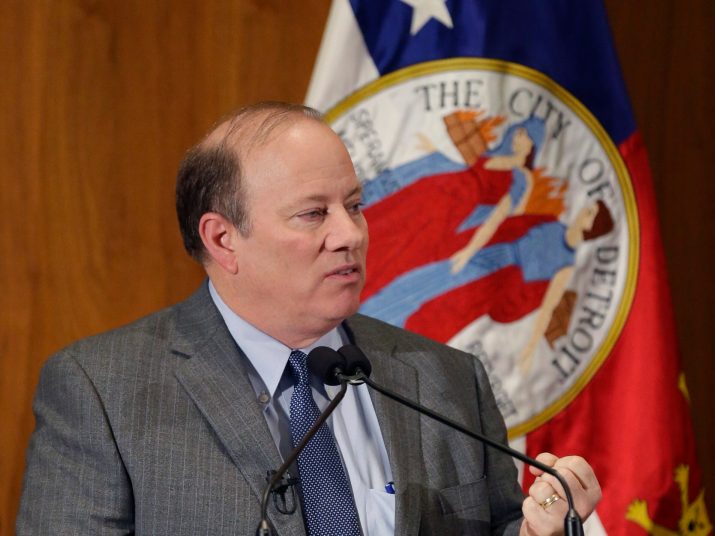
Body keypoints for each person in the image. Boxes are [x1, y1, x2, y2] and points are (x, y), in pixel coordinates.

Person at [17, 102, 601, 535]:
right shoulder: (103, 391)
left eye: (353, 207)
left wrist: (537, 530)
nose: (349, 235)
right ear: (223, 240)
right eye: (312, 214)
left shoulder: (447, 380)